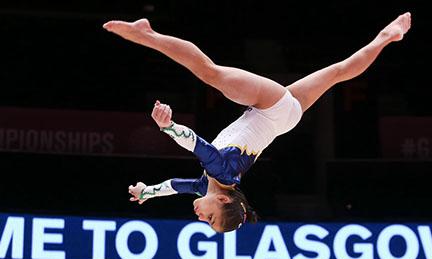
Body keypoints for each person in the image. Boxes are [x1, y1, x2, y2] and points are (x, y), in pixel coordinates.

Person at [103, 12, 412, 233]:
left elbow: (172, 187)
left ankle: (386, 37)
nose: (201, 219)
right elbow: (198, 145)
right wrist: (168, 127)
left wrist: (146, 192)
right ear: (223, 199)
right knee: (211, 73)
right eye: (210, 219)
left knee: (338, 72)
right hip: (272, 110)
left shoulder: (204, 185)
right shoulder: (223, 172)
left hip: (282, 120)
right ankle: (148, 34)